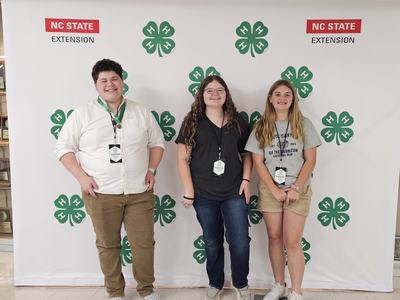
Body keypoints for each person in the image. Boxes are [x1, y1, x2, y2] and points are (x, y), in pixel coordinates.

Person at [55, 59, 165, 300]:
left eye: (114, 79)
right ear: (95, 85)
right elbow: (63, 148)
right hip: (100, 193)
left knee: (144, 245)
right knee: (108, 245)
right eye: (103, 80)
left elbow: (157, 143)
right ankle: (115, 292)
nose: (110, 84)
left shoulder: (140, 111)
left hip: (139, 191)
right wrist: (82, 177)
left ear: (122, 81)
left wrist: (152, 170)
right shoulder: (82, 114)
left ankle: (147, 290)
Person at [175, 75, 252, 300]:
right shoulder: (191, 122)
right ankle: (215, 282)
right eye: (210, 90)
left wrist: (246, 180)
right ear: (202, 95)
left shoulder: (238, 122)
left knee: (239, 240)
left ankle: (241, 283)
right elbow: (182, 158)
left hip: (234, 192)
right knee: (211, 240)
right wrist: (189, 191)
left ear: (226, 94)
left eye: (220, 90)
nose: (215, 94)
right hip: (203, 194)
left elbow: (247, 154)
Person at [245, 79, 321, 300]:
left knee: (292, 241)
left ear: (293, 99)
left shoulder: (303, 124)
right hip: (271, 190)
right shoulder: (261, 126)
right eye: (277, 94)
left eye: (287, 94)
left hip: (298, 189)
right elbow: (258, 162)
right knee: (275, 237)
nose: (282, 98)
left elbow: (310, 160)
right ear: (270, 98)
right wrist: (275, 190)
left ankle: (296, 292)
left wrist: (296, 187)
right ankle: (279, 285)